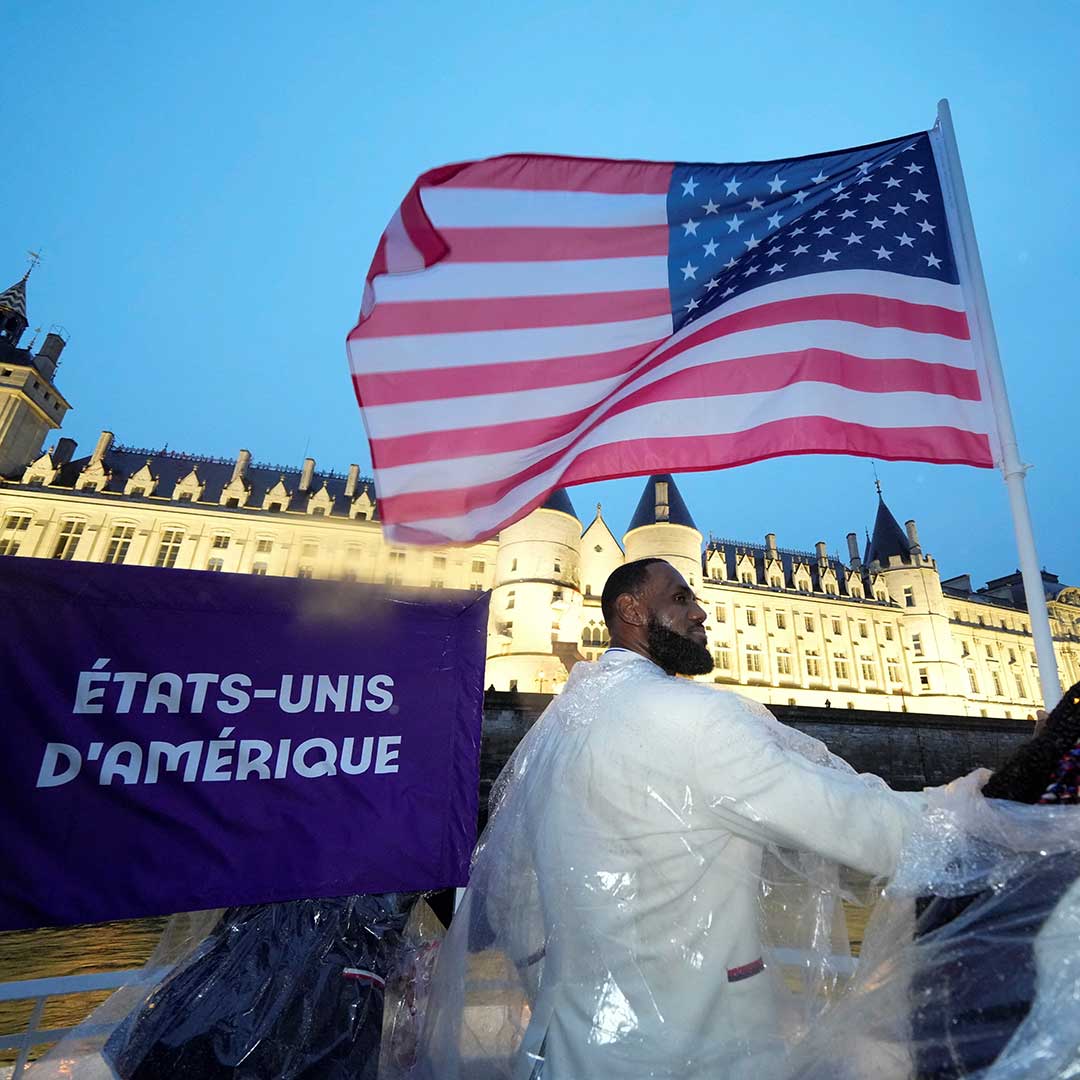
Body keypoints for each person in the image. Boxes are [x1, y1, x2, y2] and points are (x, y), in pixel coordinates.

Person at [416, 558, 942, 1080]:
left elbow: (512, 892)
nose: (701, 612)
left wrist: (548, 983)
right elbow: (852, 821)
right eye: (680, 598)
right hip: (700, 1052)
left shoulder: (557, 729)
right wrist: (984, 805)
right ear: (631, 610)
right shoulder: (697, 718)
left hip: (573, 1051)